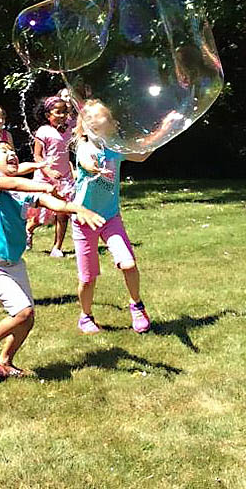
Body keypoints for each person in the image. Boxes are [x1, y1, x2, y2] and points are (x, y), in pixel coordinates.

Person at [0, 140, 104, 380]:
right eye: (4, 152)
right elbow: (12, 182)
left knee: (27, 319)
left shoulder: (22, 193)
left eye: (13, 151)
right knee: (22, 311)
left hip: (14, 264)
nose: (12, 154)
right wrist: (40, 186)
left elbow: (52, 203)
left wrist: (77, 209)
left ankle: (6, 361)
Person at [70, 100, 155, 334]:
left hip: (109, 217)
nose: (113, 122)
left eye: (106, 119)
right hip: (84, 218)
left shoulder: (114, 150)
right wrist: (92, 168)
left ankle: (136, 306)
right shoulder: (85, 147)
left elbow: (140, 156)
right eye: (106, 119)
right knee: (88, 278)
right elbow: (86, 161)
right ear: (88, 127)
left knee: (128, 263)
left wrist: (158, 138)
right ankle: (85, 316)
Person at [25, 95, 75, 257]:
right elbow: (37, 156)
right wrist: (49, 171)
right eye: (58, 112)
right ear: (48, 115)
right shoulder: (43, 131)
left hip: (64, 177)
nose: (62, 115)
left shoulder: (69, 128)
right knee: (40, 216)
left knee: (63, 214)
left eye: (64, 112)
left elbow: (82, 118)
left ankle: (57, 247)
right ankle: (28, 232)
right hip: (45, 177)